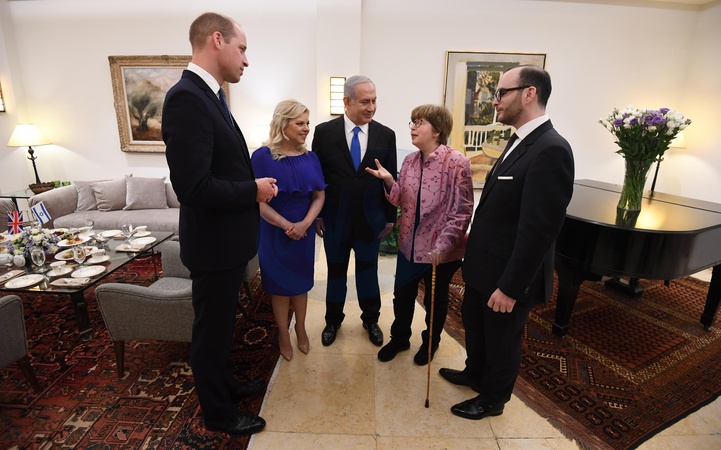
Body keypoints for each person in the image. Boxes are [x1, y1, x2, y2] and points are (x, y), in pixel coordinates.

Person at [162, 12, 277, 436]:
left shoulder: (211, 96)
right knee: (210, 332)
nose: (246, 59)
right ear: (216, 40)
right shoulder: (186, 98)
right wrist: (253, 190)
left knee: (224, 325)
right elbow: (193, 187)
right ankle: (218, 413)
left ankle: (226, 384)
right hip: (213, 245)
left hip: (226, 242)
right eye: (242, 49)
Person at [439, 65, 574, 420]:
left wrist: (511, 287)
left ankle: (493, 399)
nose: (495, 100)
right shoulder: (519, 140)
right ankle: (475, 373)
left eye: (501, 93)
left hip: (508, 276)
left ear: (529, 93)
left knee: (502, 339)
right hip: (486, 265)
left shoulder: (551, 149)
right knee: (477, 326)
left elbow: (539, 231)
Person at [365, 104, 473, 365]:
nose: (412, 127)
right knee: (402, 297)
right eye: (412, 122)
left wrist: (442, 246)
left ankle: (430, 344)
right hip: (408, 246)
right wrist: (389, 181)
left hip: (440, 252)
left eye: (419, 122)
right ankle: (400, 338)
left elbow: (462, 211)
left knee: (435, 302)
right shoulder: (410, 161)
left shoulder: (456, 163)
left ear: (437, 130)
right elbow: (400, 199)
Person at [312, 75, 397, 347]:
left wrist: (389, 217)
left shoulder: (386, 134)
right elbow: (317, 177)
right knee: (336, 273)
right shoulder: (324, 133)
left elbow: (390, 178)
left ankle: (371, 320)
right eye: (365, 102)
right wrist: (318, 215)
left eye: (374, 101)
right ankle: (332, 321)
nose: (371, 107)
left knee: (368, 274)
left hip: (370, 222)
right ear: (347, 102)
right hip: (334, 220)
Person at [251, 99, 326, 362]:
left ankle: (300, 328)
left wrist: (305, 224)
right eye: (300, 123)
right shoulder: (261, 157)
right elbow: (257, 201)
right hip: (273, 232)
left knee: (300, 285)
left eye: (308, 123)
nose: (306, 128)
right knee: (279, 287)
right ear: (283, 124)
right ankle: (283, 334)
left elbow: (319, 195)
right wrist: (286, 225)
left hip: (303, 232)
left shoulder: (311, 158)